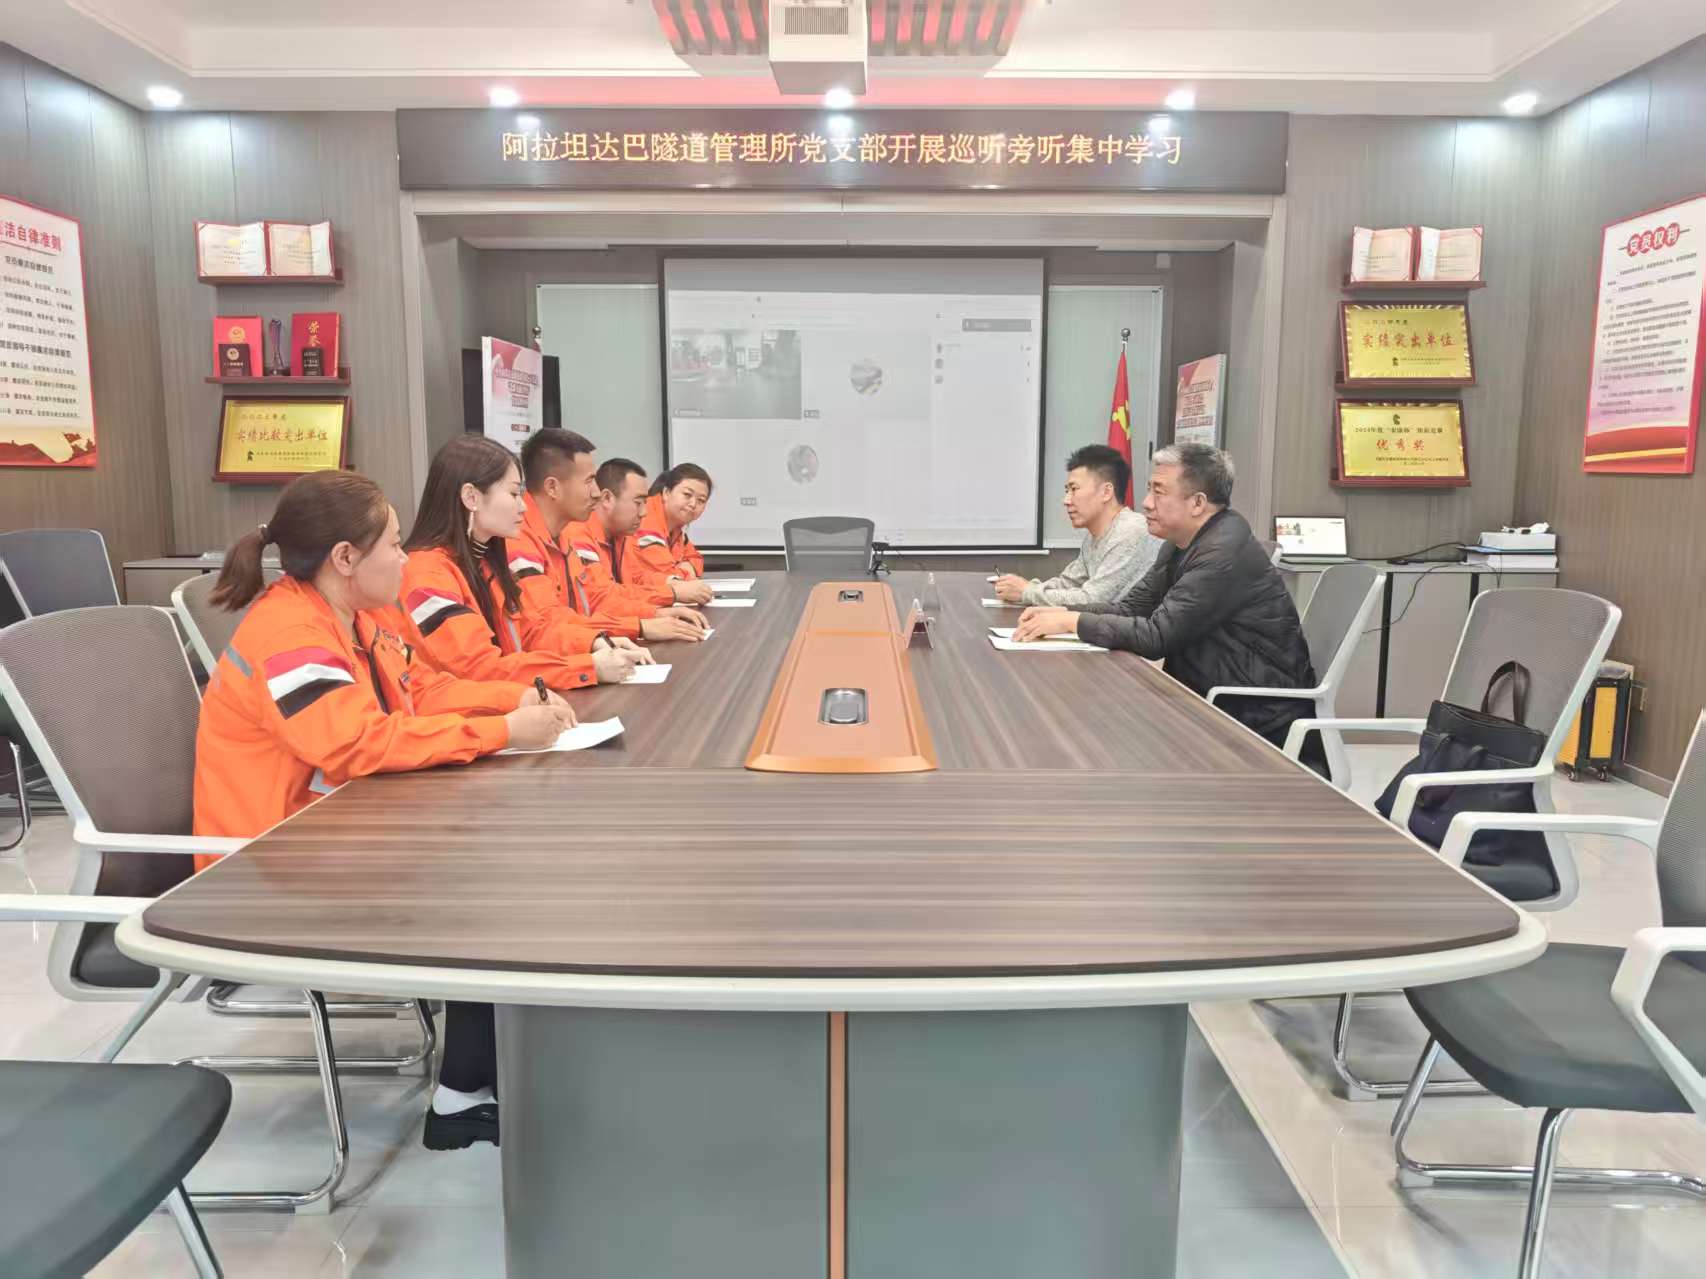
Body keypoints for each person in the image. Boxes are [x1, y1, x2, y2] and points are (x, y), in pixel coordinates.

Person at [192, 470, 576, 1151]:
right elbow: (355, 744)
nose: (406, 557)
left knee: (499, 850)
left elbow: (422, 691)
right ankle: (462, 1098)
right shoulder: (289, 633)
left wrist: (515, 703)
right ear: (345, 557)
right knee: (488, 878)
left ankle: (495, 1068)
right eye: (394, 544)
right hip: (263, 867)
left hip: (332, 832)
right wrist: (500, 733)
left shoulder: (353, 617)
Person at [1013, 442, 1315, 748]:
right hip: (1201, 696)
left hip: (1252, 717)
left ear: (1197, 503)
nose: (1146, 503)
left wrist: (1073, 622)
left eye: (1158, 492)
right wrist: (1063, 614)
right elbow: (1132, 608)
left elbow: (1156, 636)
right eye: (1149, 490)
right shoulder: (1181, 542)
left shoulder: (1223, 552)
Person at [398, 436, 639, 689]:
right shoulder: (426, 574)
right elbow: (478, 670)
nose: (523, 507)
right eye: (514, 493)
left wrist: (595, 642)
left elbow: (532, 631)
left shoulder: (484, 562)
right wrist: (587, 667)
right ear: (471, 497)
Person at [515, 430, 709, 643]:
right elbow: (545, 629)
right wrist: (640, 625)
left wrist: (654, 614)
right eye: (589, 481)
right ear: (552, 487)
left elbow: (601, 597)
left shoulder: (564, 536)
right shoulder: (524, 541)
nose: (596, 492)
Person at [993, 444, 1161, 607]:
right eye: (1067, 491)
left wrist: (1027, 592)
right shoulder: (1093, 537)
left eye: (1074, 489)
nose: (1066, 500)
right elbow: (1068, 583)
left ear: (1106, 492)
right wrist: (1027, 587)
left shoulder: (1130, 531)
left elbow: (1093, 600)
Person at [566, 457, 715, 608]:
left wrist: (673, 583)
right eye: (638, 503)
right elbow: (601, 598)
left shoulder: (622, 532)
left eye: (701, 500)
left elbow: (637, 578)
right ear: (607, 498)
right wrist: (672, 593)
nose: (644, 512)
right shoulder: (579, 533)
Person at [628, 463, 711, 586]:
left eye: (701, 500)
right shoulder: (646, 517)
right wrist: (686, 573)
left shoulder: (676, 525)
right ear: (666, 493)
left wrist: (687, 568)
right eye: (687, 495)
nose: (693, 504)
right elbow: (669, 575)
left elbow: (696, 558)